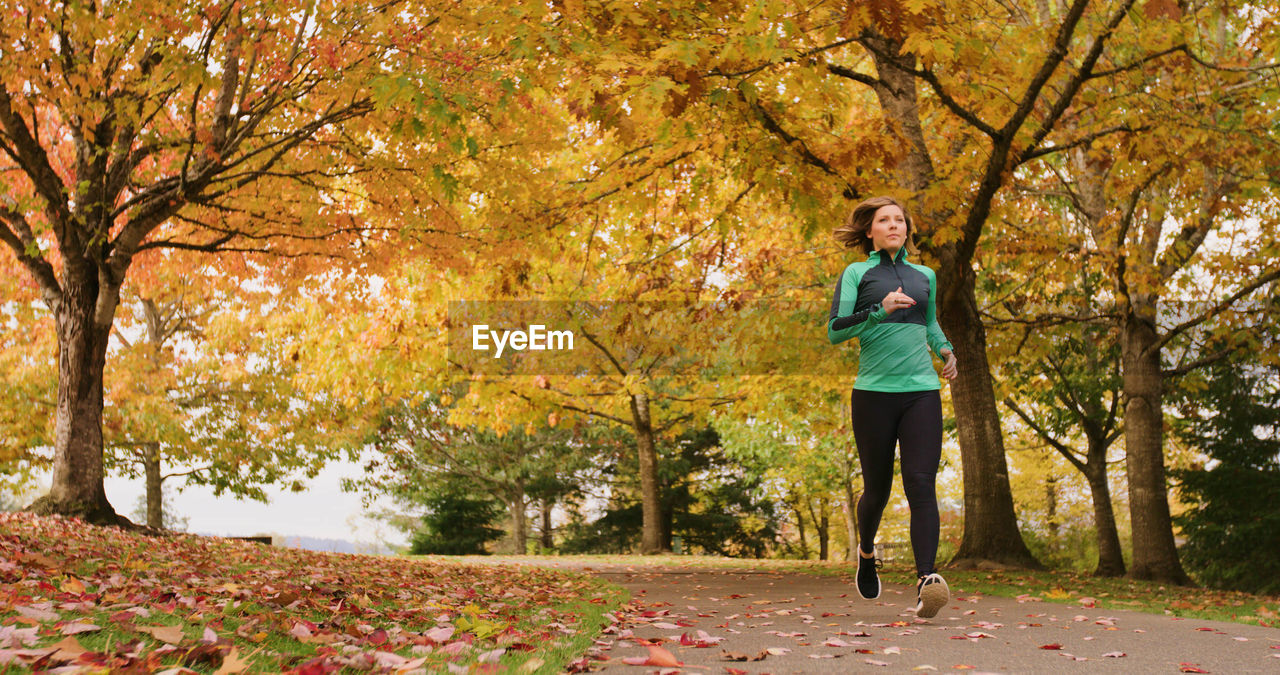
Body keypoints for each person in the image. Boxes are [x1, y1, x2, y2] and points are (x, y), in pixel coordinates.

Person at [826, 195, 958, 619]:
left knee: (920, 482)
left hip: (921, 391)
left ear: (907, 228)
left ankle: (927, 582)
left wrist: (945, 349)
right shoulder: (856, 273)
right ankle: (866, 552)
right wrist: (879, 311)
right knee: (878, 491)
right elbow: (834, 331)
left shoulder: (924, 276)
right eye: (884, 220)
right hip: (873, 395)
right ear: (870, 231)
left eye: (899, 220)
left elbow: (931, 322)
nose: (893, 225)